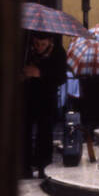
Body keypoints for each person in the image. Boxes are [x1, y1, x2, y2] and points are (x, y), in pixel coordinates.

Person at [21, 32, 66, 179]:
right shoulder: (25, 50)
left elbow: (60, 77)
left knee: (45, 133)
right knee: (24, 132)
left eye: (43, 45)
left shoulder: (58, 52)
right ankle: (24, 167)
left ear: (50, 41)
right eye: (37, 44)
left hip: (46, 98)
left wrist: (40, 73)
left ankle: (43, 166)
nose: (39, 47)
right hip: (27, 97)